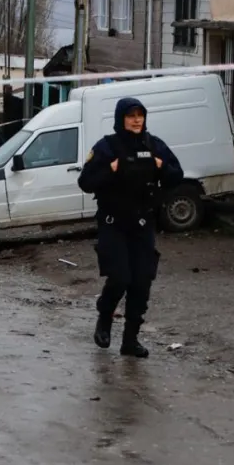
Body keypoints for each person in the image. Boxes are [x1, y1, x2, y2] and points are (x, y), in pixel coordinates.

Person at [77, 97, 183, 358]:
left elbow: (176, 176)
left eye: (140, 115)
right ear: (121, 118)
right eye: (131, 115)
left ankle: (130, 340)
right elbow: (86, 182)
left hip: (143, 224)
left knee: (141, 282)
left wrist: (161, 166)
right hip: (114, 223)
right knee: (120, 277)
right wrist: (110, 169)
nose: (136, 120)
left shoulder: (154, 145)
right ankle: (105, 317)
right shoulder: (107, 147)